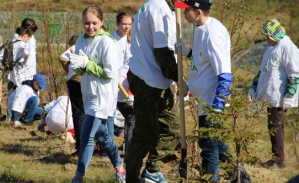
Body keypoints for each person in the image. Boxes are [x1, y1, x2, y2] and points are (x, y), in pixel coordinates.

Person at [175, 0, 251, 182]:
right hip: (206, 101)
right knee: (218, 143)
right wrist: (188, 52)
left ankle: (211, 179)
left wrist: (217, 106)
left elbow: (224, 73)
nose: (184, 14)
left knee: (208, 145)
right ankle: (240, 178)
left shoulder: (212, 33)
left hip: (212, 102)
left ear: (198, 11)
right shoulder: (200, 28)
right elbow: (204, 58)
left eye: (187, 10)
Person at [126, 0, 188, 182]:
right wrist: (180, 79)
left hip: (159, 80)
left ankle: (151, 172)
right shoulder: (158, 8)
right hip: (146, 79)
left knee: (172, 129)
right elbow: (163, 52)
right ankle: (131, 179)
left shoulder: (165, 8)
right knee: (145, 134)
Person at [69, 5, 125, 183]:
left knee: (86, 137)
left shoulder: (107, 42)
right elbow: (80, 69)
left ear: (101, 22)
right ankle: (120, 168)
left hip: (102, 96)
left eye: (94, 23)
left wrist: (87, 64)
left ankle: (79, 177)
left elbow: (109, 72)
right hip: (88, 93)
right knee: (103, 136)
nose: (90, 27)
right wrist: (76, 65)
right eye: (87, 23)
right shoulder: (80, 40)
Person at [247, 19, 299, 168]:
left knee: (276, 125)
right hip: (271, 97)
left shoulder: (287, 47)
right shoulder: (271, 48)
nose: (266, 38)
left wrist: (289, 95)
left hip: (279, 97)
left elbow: (295, 73)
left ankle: (278, 161)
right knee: (272, 125)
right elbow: (262, 70)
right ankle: (276, 158)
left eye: (267, 35)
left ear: (274, 34)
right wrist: (253, 87)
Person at [111, 11, 134, 156]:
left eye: (129, 24)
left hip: (127, 86)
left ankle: (129, 148)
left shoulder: (133, 40)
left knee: (131, 118)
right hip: (112, 85)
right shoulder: (111, 39)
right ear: (118, 23)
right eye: (124, 24)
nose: (126, 27)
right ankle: (106, 149)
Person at [6, 18, 38, 121]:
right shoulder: (22, 40)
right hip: (20, 74)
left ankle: (15, 116)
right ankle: (13, 117)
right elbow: (26, 55)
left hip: (26, 73)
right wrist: (23, 63)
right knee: (16, 95)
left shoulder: (25, 38)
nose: (31, 34)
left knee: (18, 96)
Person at [59, 34, 84, 156]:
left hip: (76, 81)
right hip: (90, 80)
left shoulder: (76, 46)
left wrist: (69, 72)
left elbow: (63, 58)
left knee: (79, 113)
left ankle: (80, 147)